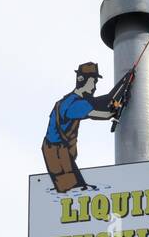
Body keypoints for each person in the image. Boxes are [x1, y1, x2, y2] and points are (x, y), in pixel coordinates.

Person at [42, 62, 131, 193]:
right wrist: (119, 103)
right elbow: (105, 113)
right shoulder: (74, 104)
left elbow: (104, 101)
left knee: (75, 188)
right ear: (81, 80)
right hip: (57, 151)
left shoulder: (74, 100)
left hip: (63, 148)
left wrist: (124, 85)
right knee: (72, 192)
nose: (95, 87)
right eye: (93, 82)